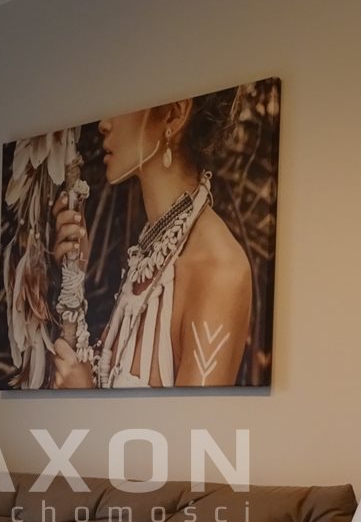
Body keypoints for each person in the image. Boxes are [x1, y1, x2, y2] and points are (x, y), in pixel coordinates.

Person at [49, 92, 252, 388]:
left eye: (121, 103)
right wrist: (73, 275)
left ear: (174, 115)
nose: (104, 123)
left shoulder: (218, 271)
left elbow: (196, 422)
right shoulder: (150, 254)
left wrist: (83, 393)